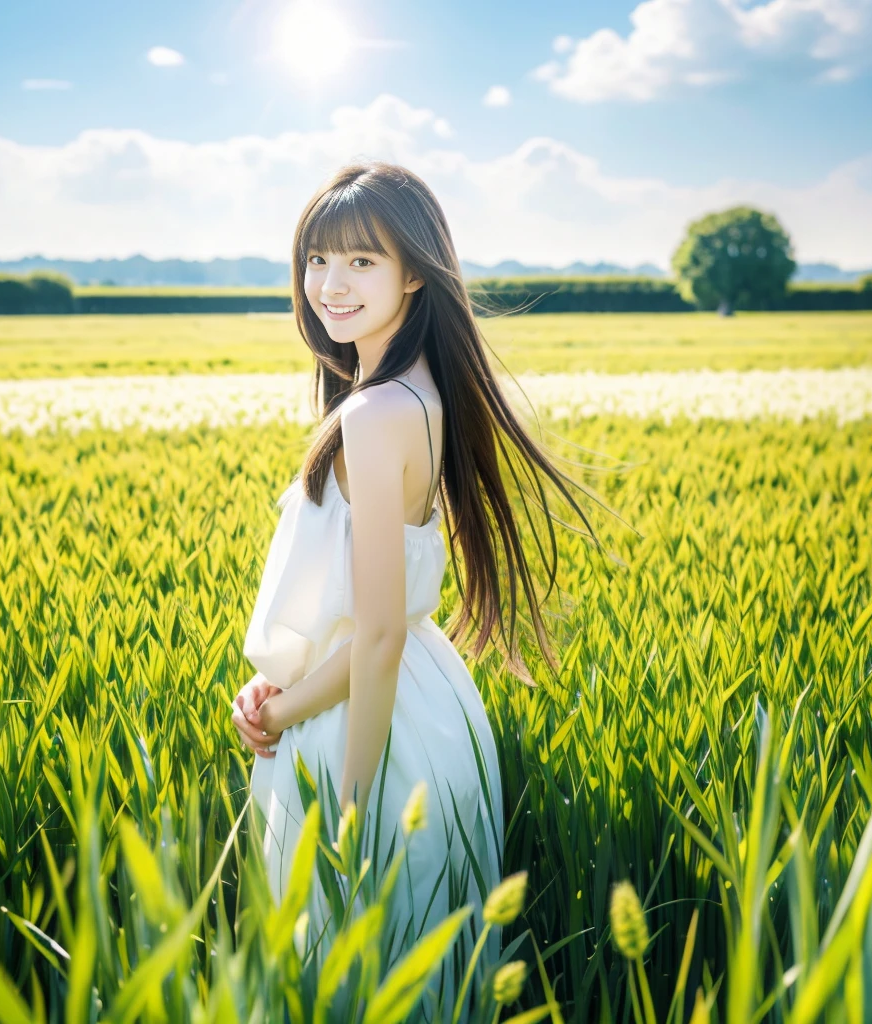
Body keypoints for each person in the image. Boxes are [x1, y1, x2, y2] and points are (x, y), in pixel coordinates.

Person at [231, 161, 609, 1021]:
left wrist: (338, 798)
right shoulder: (408, 395)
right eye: (317, 258)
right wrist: (283, 691)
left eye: (362, 261)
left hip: (372, 734)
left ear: (415, 273)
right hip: (417, 712)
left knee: (354, 976)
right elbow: (378, 625)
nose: (330, 283)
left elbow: (376, 639)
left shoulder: (374, 414)